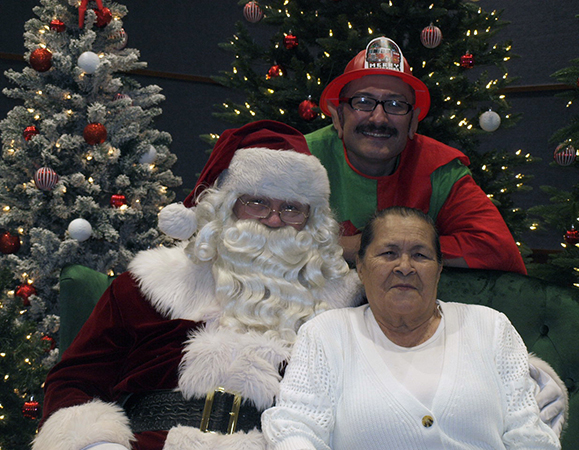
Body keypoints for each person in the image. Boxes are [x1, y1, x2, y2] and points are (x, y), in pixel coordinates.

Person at [32, 121, 363, 450]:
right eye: (257, 202)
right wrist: (99, 446)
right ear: (227, 206)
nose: (274, 220)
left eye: (291, 208)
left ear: (312, 220)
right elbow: (75, 381)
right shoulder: (154, 282)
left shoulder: (341, 300)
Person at [261, 206, 563, 450]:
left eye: (420, 255)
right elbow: (296, 427)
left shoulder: (490, 327)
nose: (405, 266)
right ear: (361, 268)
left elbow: (529, 436)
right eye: (388, 253)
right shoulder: (327, 333)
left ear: (439, 269)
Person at [305, 36, 527, 274]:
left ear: (413, 121)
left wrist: (373, 246)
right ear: (338, 116)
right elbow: (273, 238)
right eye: (362, 102)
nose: (378, 118)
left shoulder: (439, 167)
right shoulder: (301, 156)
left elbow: (497, 248)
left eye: (396, 105)